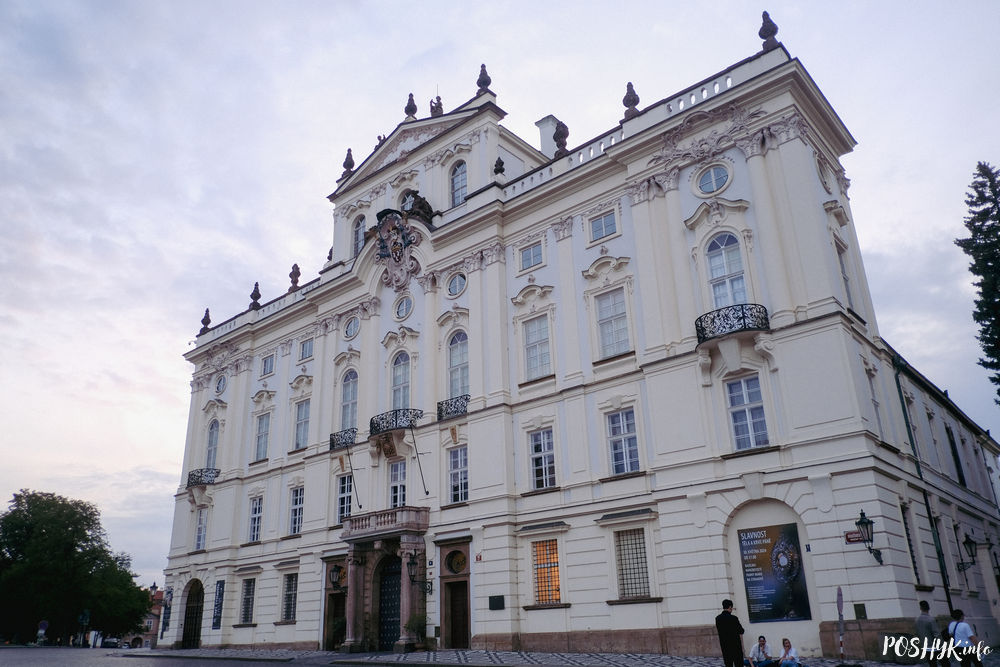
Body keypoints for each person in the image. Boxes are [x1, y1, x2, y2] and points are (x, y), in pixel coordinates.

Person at [716, 598, 746, 667]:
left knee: (728, 664)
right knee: (738, 664)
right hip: (735, 646)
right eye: (732, 608)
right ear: (730, 607)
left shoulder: (718, 618)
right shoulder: (734, 618)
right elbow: (741, 631)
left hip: (725, 646)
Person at [915, 601, 940, 667]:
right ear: (929, 608)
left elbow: (917, 633)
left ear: (920, 608)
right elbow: (936, 634)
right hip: (933, 646)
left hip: (925, 646)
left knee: (931, 663)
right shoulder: (931, 619)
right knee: (944, 662)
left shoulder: (917, 620)